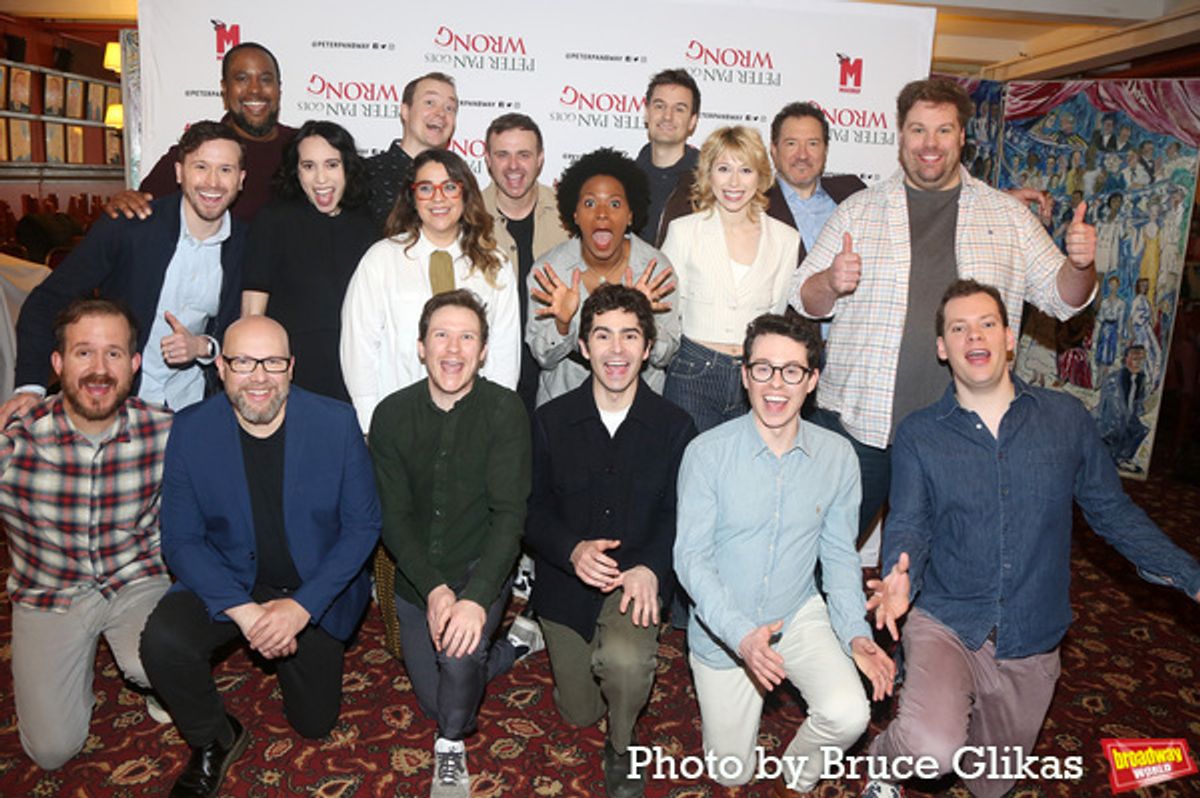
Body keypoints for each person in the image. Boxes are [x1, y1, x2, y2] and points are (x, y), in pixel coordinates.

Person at [862, 279, 1200, 798]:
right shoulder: (919, 433)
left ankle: (948, 724)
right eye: (959, 327)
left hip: (1032, 633)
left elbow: (1113, 512)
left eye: (987, 323)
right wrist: (897, 574)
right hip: (949, 617)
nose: (974, 335)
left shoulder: (1065, 419)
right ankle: (884, 762)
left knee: (990, 784)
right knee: (931, 750)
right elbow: (910, 520)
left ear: (1009, 337)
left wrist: (1190, 576)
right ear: (942, 348)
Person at [792, 77, 1097, 542]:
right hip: (859, 426)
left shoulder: (1007, 216)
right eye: (917, 130)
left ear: (962, 137)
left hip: (963, 431)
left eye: (943, 130)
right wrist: (831, 282)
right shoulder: (859, 210)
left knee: (947, 567)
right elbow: (805, 299)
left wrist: (1081, 264)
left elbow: (1064, 299)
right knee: (822, 552)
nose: (929, 144)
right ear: (900, 135)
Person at [139, 315, 380, 798]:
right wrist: (246, 614)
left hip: (311, 586)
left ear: (291, 367)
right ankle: (215, 738)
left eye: (271, 361)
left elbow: (362, 527)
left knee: (313, 723)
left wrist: (301, 607)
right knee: (161, 644)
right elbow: (181, 541)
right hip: (233, 580)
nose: (258, 376)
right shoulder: (190, 429)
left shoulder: (336, 422)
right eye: (243, 362)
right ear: (222, 368)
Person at [675, 312, 894, 796]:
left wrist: (856, 635)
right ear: (744, 375)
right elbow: (691, 560)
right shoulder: (706, 453)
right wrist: (741, 637)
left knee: (849, 715)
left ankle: (795, 776)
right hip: (723, 631)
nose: (776, 384)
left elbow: (839, 557)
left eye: (792, 371)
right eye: (763, 369)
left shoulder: (838, 457)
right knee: (731, 772)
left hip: (797, 613)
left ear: (813, 380)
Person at [525, 285, 696, 798]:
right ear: (583, 346)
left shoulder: (674, 426)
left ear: (648, 347)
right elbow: (529, 510)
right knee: (578, 712)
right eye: (603, 335)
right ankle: (603, 683)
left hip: (634, 580)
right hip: (565, 582)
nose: (616, 350)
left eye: (629, 336)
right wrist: (571, 550)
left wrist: (651, 567)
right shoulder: (551, 420)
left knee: (624, 664)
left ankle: (623, 744)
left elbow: (679, 513)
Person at [369, 290, 530, 798]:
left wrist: (475, 598)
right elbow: (391, 518)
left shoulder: (506, 411)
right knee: (437, 698)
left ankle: (450, 749)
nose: (453, 349)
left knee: (457, 675)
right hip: (417, 577)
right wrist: (436, 591)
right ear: (420, 345)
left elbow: (509, 518)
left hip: (482, 566)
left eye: (468, 337)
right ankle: (509, 650)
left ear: (483, 351)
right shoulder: (391, 415)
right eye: (441, 334)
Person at [0, 299, 173, 770]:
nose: (99, 369)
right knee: (52, 752)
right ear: (57, 364)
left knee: (160, 658)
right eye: (83, 353)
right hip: (49, 594)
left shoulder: (165, 432)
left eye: (114, 354)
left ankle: (153, 679)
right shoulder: (15, 440)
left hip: (135, 581)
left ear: (135, 366)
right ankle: (70, 681)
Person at [4, 121, 247, 421]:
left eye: (225, 170)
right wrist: (30, 388)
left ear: (240, 179)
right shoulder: (130, 226)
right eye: (201, 167)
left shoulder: (245, 245)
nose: (213, 182)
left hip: (195, 409)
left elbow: (241, 329)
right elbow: (48, 300)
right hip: (118, 407)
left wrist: (203, 346)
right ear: (179, 173)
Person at [340, 148, 520, 432]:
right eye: (426, 188)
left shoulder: (495, 263)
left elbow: (504, 353)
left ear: (465, 193)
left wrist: (492, 422)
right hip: (398, 425)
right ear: (412, 197)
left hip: (473, 425)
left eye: (449, 186)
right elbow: (359, 349)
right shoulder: (381, 259)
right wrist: (370, 425)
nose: (438, 198)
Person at [661, 126, 800, 433]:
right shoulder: (683, 231)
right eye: (724, 169)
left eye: (746, 170)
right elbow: (665, 312)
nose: (734, 182)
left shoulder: (786, 239)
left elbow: (775, 317)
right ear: (708, 174)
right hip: (692, 373)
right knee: (691, 473)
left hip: (756, 378)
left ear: (761, 176)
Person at [527, 148, 678, 406]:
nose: (602, 214)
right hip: (565, 400)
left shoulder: (655, 268)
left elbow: (664, 357)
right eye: (589, 203)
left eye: (615, 203)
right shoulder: (550, 270)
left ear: (631, 215)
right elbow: (543, 357)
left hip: (638, 405)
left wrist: (647, 320)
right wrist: (562, 325)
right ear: (574, 214)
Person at [241, 120, 377, 403]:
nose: (321, 179)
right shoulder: (274, 221)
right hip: (291, 379)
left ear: (347, 168)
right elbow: (252, 316)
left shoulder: (368, 227)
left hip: (356, 377)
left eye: (331, 165)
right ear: (296, 171)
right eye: (308, 166)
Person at [106, 43, 293, 222]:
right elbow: (140, 209)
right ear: (225, 89)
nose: (254, 89)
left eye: (266, 79)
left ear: (279, 88)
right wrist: (125, 204)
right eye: (242, 79)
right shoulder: (195, 152)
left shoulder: (301, 147)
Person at [481, 113, 570, 414]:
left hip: (557, 376)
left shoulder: (569, 215)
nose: (513, 166)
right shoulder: (467, 218)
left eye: (524, 155)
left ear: (541, 159)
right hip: (487, 375)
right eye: (502, 155)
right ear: (487, 159)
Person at [765, 102, 865, 264]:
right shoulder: (756, 206)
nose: (802, 155)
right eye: (792, 144)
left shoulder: (854, 191)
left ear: (825, 150)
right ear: (774, 150)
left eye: (812, 144)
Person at [365, 72, 458, 228]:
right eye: (430, 102)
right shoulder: (365, 175)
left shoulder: (459, 181)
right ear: (405, 111)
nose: (441, 113)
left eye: (450, 108)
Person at [634, 69, 701, 246]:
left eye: (679, 109)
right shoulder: (623, 181)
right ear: (647, 112)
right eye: (659, 106)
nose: (667, 116)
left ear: (693, 121)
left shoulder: (709, 184)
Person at [1095, 344, 1150, 470]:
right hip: (1112, 416)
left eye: (1142, 360)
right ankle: (1113, 458)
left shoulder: (1141, 378)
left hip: (1129, 414)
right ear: (1126, 359)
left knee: (1140, 430)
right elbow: (1108, 404)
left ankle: (1123, 457)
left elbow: (1138, 399)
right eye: (1135, 359)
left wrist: (1138, 410)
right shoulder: (1114, 379)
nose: (1138, 363)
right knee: (1117, 431)